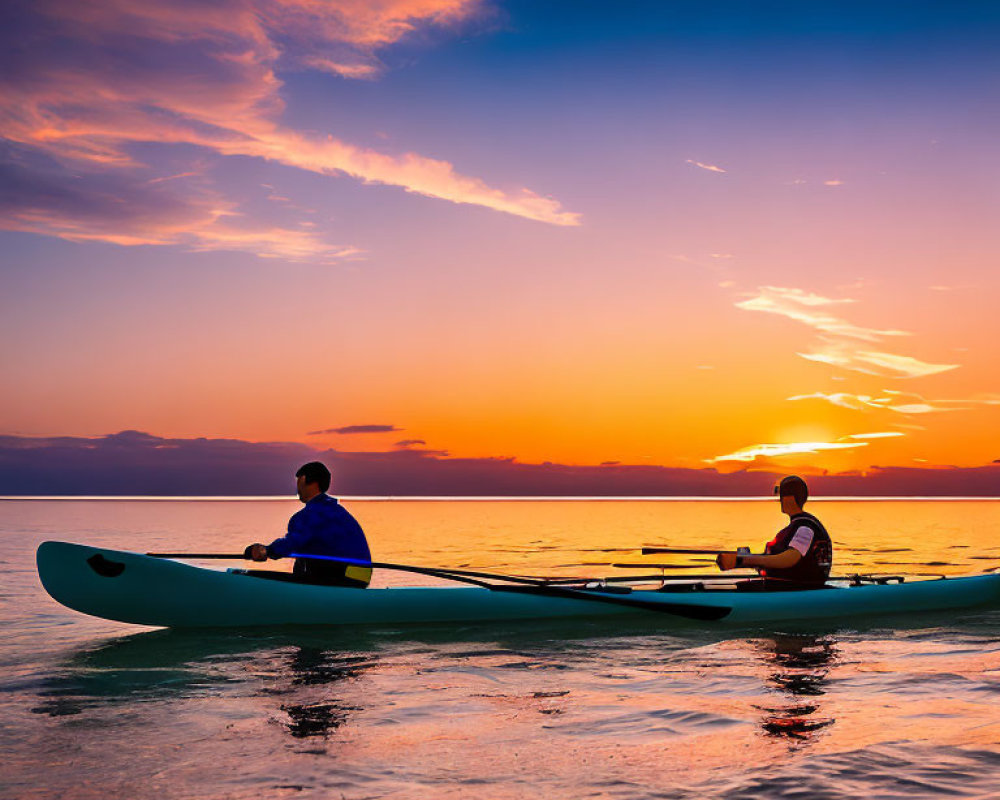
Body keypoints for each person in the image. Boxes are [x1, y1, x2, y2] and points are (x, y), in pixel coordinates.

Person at [244, 461, 372, 587]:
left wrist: (266, 550)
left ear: (306, 480)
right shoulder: (336, 511)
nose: (297, 488)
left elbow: (292, 543)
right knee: (304, 558)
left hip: (344, 578)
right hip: (360, 578)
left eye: (298, 481)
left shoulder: (313, 514)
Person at [716, 475, 832, 588]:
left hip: (798, 588)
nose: (779, 500)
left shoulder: (805, 528)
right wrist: (741, 560)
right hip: (786, 586)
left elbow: (790, 559)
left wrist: (743, 560)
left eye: (781, 496)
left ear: (789, 498)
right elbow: (775, 559)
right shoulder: (798, 526)